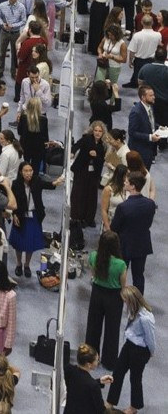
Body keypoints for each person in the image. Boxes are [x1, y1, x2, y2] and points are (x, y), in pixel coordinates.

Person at [106, 286, 155, 413]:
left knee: (135, 378)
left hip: (139, 350)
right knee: (117, 372)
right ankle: (110, 401)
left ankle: (134, 407)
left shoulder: (146, 318)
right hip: (129, 345)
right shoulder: (132, 310)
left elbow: (150, 338)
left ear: (132, 300)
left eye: (125, 300)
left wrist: (150, 353)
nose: (124, 302)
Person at [9, 161, 61, 276]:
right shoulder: (16, 184)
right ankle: (19, 264)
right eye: (26, 171)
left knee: (30, 243)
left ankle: (27, 265)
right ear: (20, 172)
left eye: (30, 171)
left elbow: (48, 185)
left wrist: (57, 182)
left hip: (34, 216)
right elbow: (12, 201)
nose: (28, 173)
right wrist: (14, 214)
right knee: (19, 243)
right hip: (20, 215)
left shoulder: (37, 181)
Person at [85, 231, 127, 371]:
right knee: (112, 330)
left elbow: (93, 274)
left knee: (93, 326)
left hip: (97, 292)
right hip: (114, 297)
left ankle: (89, 357)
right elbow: (123, 285)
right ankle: (109, 362)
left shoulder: (93, 257)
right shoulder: (121, 264)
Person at [110, 172, 155, 293]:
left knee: (119, 274)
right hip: (142, 244)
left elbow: (114, 228)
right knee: (139, 276)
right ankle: (138, 304)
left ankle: (117, 301)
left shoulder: (123, 207)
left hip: (125, 245)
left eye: (126, 181)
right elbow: (148, 223)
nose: (124, 182)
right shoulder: (150, 204)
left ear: (133, 186)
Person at [64, 345, 113, 414]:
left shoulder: (69, 369)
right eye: (97, 360)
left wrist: (99, 381)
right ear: (89, 364)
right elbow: (101, 410)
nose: (98, 362)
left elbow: (81, 385)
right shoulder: (94, 386)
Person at [127, 86, 161, 166]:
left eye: (153, 95)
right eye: (151, 95)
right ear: (143, 97)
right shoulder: (136, 112)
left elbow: (150, 123)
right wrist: (149, 137)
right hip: (138, 151)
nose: (154, 97)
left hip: (149, 149)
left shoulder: (150, 106)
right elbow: (132, 132)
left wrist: (159, 127)